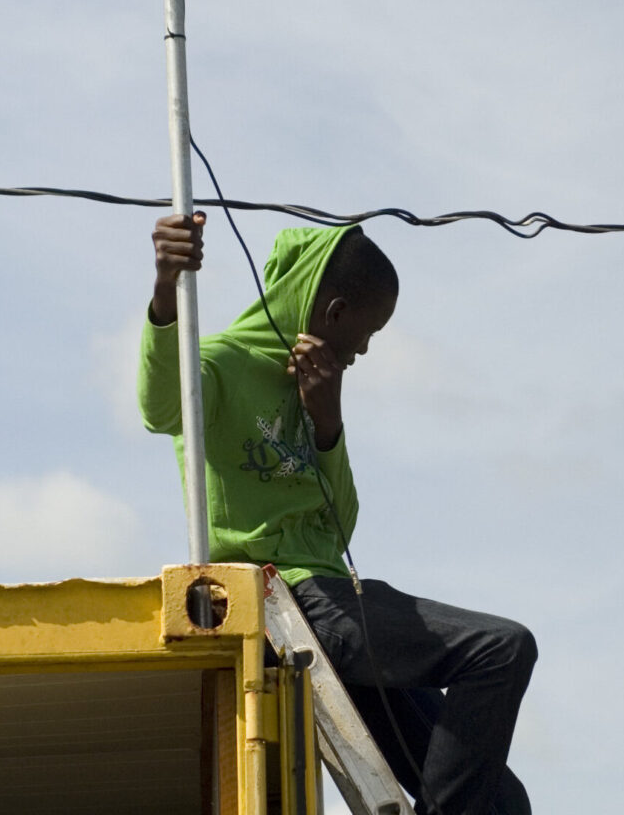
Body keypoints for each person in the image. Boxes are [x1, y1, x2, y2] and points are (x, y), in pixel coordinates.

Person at [138, 212, 536, 815]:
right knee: (502, 648)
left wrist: (327, 422)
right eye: (368, 329)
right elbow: (160, 406)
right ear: (333, 312)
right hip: (289, 601)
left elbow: (340, 526)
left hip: (336, 605)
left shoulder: (317, 389)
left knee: (503, 798)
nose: (366, 348)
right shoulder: (220, 364)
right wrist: (167, 289)